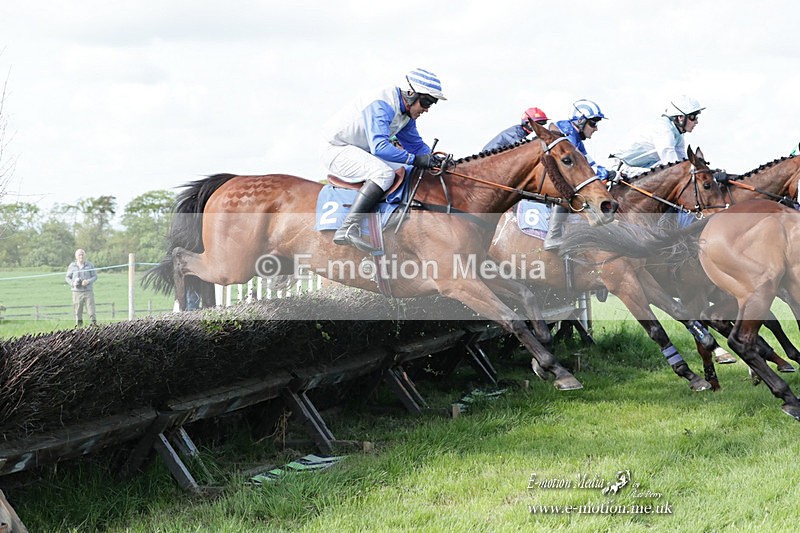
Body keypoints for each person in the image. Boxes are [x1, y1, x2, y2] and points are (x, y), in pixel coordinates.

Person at [321, 67, 446, 252]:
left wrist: (439, 162)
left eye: (432, 103)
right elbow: (380, 148)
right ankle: (347, 228)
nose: (427, 109)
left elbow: (417, 147)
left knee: (410, 171)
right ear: (410, 93)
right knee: (384, 174)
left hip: (358, 149)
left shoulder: (406, 114)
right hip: (336, 148)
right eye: (426, 102)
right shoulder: (382, 103)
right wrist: (417, 159)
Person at [543, 99, 611, 250]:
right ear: (580, 121)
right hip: (545, 172)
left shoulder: (574, 135)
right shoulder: (567, 132)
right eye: (593, 123)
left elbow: (587, 162)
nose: (596, 129)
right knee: (568, 190)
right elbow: (580, 165)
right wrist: (604, 172)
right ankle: (553, 236)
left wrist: (607, 172)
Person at [608, 95, 705, 178]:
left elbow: (683, 163)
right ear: (680, 117)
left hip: (640, 167)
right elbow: (674, 167)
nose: (696, 122)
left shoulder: (678, 134)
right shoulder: (664, 130)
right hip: (621, 168)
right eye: (693, 117)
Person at [482, 107, 549, 151]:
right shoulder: (516, 134)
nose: (540, 127)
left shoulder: (523, 132)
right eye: (537, 123)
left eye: (542, 124)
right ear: (527, 122)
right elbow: (523, 150)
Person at [65, 248, 97, 326]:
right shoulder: (72, 266)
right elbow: (67, 277)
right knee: (78, 312)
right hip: (76, 292)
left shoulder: (90, 265)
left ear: (85, 255)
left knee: (91, 311)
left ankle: (94, 327)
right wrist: (73, 283)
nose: (81, 256)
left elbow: (95, 276)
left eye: (82, 254)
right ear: (76, 256)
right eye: (79, 255)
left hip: (88, 291)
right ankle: (79, 328)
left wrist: (88, 281)